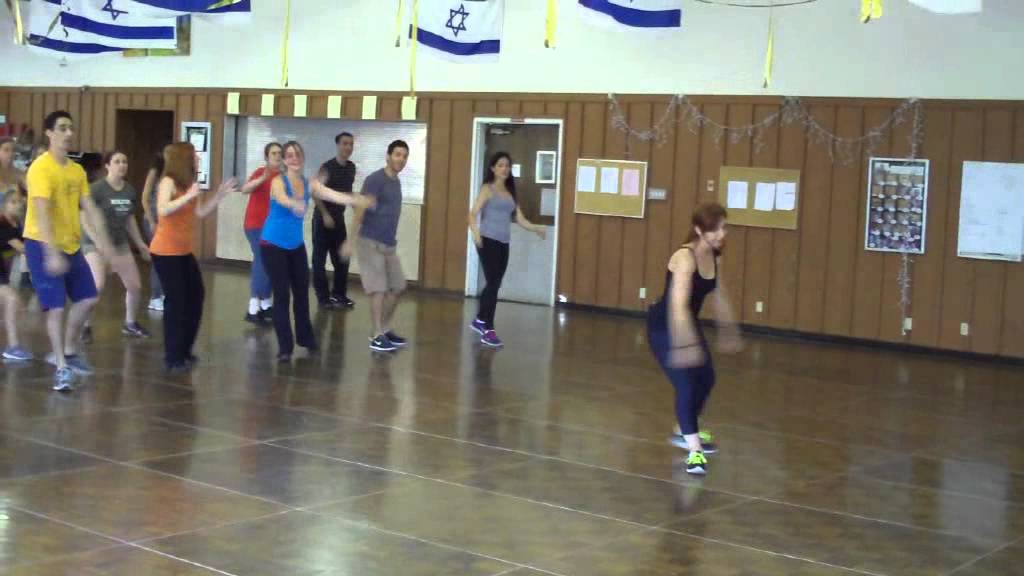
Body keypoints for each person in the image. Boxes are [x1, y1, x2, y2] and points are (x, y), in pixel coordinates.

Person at [646, 202, 742, 475]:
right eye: (716, 229)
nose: (722, 233)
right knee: (686, 383)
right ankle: (695, 451)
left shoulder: (715, 256)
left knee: (707, 378)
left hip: (689, 322)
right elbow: (677, 307)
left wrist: (728, 329)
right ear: (700, 229)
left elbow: (720, 295)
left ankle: (683, 429)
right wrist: (684, 345)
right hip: (664, 326)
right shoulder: (684, 258)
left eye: (724, 227)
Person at [23, 110, 113, 390]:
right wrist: (50, 252)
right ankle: (61, 366)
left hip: (71, 244)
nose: (68, 133)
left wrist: (105, 243)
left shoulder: (76, 171)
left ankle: (69, 350)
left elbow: (90, 208)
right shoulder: (40, 168)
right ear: (49, 133)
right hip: (42, 243)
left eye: (71, 128)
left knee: (88, 299)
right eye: (62, 128)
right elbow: (41, 212)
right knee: (56, 306)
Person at [261, 141, 372, 362]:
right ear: (284, 161)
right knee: (282, 296)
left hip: (295, 246)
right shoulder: (277, 181)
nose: (294, 158)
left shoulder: (308, 183)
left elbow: (333, 195)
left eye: (297, 155)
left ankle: (306, 339)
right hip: (273, 245)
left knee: (302, 294)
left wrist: (356, 199)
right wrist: (294, 203)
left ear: (302, 158)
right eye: (289, 155)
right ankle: (285, 348)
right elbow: (282, 198)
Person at [150, 142, 238, 373]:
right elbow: (162, 210)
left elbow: (199, 213)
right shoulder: (168, 181)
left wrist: (218, 196)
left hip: (183, 251)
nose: (198, 159)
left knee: (196, 296)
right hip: (165, 251)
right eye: (195, 156)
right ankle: (172, 356)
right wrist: (187, 196)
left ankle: (185, 350)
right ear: (183, 159)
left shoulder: (190, 184)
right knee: (176, 302)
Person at [467, 151, 546, 348]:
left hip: (504, 242)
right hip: (487, 241)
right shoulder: (488, 189)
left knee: (495, 283)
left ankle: (479, 319)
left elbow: (519, 219)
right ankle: (488, 329)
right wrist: (476, 234)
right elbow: (472, 213)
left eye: (507, 166)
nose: (504, 169)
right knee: (493, 283)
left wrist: (536, 228)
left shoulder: (510, 192)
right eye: (501, 165)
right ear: (493, 168)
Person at [342, 139, 408, 353]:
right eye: (397, 154)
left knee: (398, 286)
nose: (401, 159)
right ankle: (376, 334)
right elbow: (359, 209)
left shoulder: (396, 181)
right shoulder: (375, 180)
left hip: (389, 244)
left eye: (404, 156)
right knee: (379, 289)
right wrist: (350, 240)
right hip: (369, 242)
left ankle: (385, 328)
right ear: (388, 156)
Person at [80, 151, 152, 341]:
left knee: (135, 286)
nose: (122, 165)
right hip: (95, 245)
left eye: (124, 161)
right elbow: (84, 216)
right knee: (97, 285)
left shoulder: (129, 191)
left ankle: (130, 324)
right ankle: (85, 326)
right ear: (107, 166)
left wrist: (140, 243)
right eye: (117, 161)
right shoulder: (96, 189)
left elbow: (129, 219)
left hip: (120, 244)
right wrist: (97, 241)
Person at [313, 132, 357, 310]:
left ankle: (339, 295)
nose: (348, 147)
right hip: (322, 220)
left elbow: (347, 192)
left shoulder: (351, 168)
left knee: (342, 260)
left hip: (339, 220)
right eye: (345, 143)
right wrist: (324, 214)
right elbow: (315, 193)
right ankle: (323, 298)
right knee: (319, 261)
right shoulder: (327, 167)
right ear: (338, 145)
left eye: (351, 144)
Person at [240, 142, 281, 323]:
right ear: (267, 157)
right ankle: (253, 306)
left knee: (271, 263)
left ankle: (265, 303)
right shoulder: (260, 173)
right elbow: (245, 189)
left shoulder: (282, 177)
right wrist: (261, 179)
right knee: (261, 259)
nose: (277, 156)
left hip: (273, 228)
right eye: (273, 153)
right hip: (255, 225)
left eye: (280, 153)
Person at [0, 189, 31, 361]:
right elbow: (24, 249)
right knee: (12, 300)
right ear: (4, 206)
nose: (18, 205)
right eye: (13, 202)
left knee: (15, 304)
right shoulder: (3, 224)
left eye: (20, 202)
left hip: (2, 272)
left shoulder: (17, 224)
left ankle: (13, 345)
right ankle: (12, 347)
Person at [141, 153, 165, 311]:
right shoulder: (154, 172)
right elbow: (144, 197)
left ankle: (163, 293)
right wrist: (151, 221)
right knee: (158, 258)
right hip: (152, 220)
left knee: (165, 258)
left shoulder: (171, 175)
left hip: (165, 222)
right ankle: (155, 297)